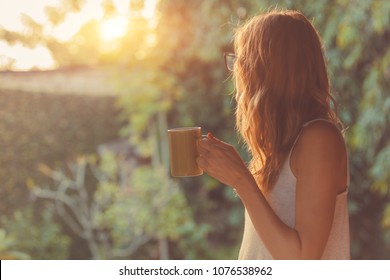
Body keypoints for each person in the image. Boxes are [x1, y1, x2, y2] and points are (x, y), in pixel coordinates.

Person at [196, 9, 350, 259]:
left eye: (242, 62)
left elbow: (302, 260)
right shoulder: (277, 148)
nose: (237, 74)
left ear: (266, 70)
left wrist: (240, 179)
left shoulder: (319, 138)